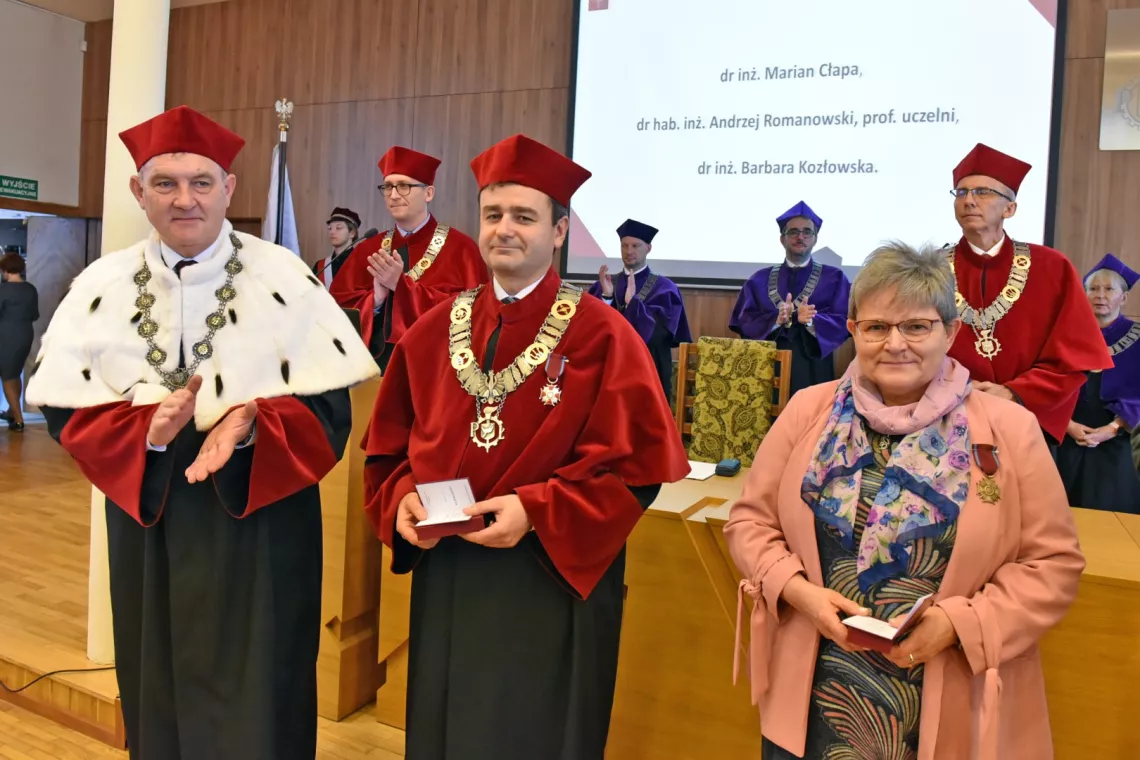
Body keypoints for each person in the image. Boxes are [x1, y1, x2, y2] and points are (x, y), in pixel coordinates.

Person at [24, 105, 379, 760]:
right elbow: (67, 414)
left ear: (229, 189)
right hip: (153, 520)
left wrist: (250, 429)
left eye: (201, 182)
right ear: (139, 192)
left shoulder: (285, 278)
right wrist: (144, 432)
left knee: (262, 688)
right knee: (160, 686)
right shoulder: (101, 283)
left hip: (262, 528)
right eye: (165, 183)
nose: (185, 199)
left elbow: (331, 416)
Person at [362, 134, 689, 760]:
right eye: (492, 214)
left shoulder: (604, 336)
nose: (503, 229)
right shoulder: (432, 331)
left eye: (523, 216)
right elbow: (387, 450)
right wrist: (401, 496)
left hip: (547, 577)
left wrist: (537, 509)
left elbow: (635, 472)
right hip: (451, 574)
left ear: (559, 231)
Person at [724, 242, 1084, 760]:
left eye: (916, 326)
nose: (895, 344)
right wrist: (800, 593)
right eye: (876, 327)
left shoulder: (1009, 428)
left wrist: (964, 624)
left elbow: (1053, 563)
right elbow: (750, 523)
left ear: (950, 332)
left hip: (950, 706)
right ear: (853, 332)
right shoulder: (808, 411)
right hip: (815, 707)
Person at [944, 142, 1112, 445]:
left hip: (1027, 419)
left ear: (1010, 208)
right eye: (961, 192)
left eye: (982, 192)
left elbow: (1074, 356)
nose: (969, 201)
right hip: (945, 418)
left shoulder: (1052, 267)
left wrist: (1014, 392)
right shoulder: (931, 268)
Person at [329, 146, 488, 370]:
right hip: (374, 370)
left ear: (429, 193)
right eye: (388, 186)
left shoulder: (462, 249)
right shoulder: (369, 248)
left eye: (404, 186)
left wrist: (401, 286)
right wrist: (375, 300)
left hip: (438, 370)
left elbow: (475, 313)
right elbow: (337, 310)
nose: (393, 195)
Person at [729, 201, 850, 396]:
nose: (800, 237)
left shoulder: (835, 278)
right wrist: (775, 321)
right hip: (766, 365)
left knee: (809, 419)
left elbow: (845, 321)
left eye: (807, 232)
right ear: (782, 239)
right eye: (793, 232)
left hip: (812, 365)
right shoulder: (759, 279)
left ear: (815, 238)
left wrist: (812, 321)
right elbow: (744, 320)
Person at [1057, 254, 1140, 512]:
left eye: (1108, 289)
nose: (1100, 295)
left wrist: (1114, 428)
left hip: (1118, 441)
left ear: (1123, 298)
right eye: (1093, 288)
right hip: (1066, 438)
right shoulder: (1063, 334)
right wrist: (1067, 425)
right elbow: (1048, 384)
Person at [588, 219, 691, 400]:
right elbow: (591, 331)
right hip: (608, 367)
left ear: (648, 248)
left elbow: (659, 336)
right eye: (624, 246)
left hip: (649, 367)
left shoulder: (665, 288)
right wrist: (606, 298)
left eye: (635, 246)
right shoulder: (605, 284)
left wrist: (633, 304)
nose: (629, 252)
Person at [0, 252, 39, 431]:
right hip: (25, 334)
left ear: (5, 271)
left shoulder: (3, 290)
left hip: (6, 336)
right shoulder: (30, 289)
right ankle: (11, 410)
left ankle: (18, 419)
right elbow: (35, 315)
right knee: (15, 372)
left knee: (7, 376)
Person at [313, 206, 361, 287]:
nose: (332, 232)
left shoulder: (362, 264)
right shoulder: (320, 266)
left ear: (352, 233)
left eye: (338, 228)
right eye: (330, 228)